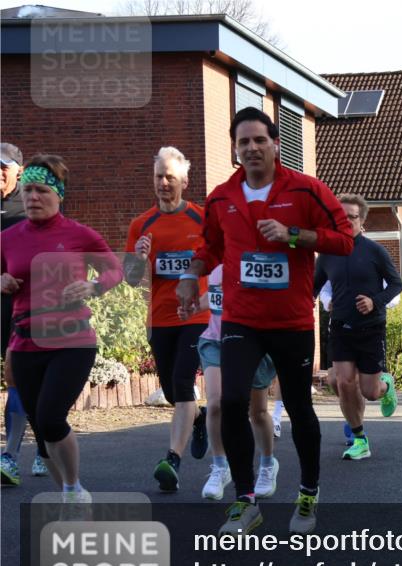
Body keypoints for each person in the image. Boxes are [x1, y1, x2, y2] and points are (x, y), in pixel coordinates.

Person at [176, 107, 354, 535]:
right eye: (244, 142)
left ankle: (308, 493)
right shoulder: (221, 198)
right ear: (235, 150)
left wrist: (296, 236)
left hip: (291, 320)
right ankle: (246, 500)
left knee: (297, 406)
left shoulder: (307, 191)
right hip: (241, 319)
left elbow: (345, 240)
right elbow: (211, 247)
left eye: (260, 140)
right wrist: (188, 275)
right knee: (231, 402)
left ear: (275, 144)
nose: (252, 148)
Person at [0, 154, 123, 503]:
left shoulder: (80, 235)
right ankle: (70, 495)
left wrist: (93, 286)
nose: (32, 198)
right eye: (27, 191)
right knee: (41, 432)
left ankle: (72, 488)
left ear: (58, 194)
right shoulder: (9, 238)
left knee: (51, 417)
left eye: (40, 190)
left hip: (73, 341)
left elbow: (115, 270)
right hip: (25, 343)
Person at [124, 147, 209, 492]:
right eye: (158, 176)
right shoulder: (141, 225)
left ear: (184, 181)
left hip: (196, 316)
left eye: (169, 177)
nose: (162, 183)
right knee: (174, 392)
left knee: (183, 379)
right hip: (160, 318)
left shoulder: (201, 220)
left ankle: (172, 459)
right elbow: (130, 278)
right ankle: (199, 417)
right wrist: (139, 258)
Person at [314, 193, 402, 461]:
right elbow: (312, 288)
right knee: (342, 382)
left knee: (369, 391)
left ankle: (387, 386)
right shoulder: (327, 254)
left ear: (361, 221)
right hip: (340, 327)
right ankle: (359, 438)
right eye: (340, 217)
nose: (346, 221)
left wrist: (375, 302)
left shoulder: (375, 251)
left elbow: (397, 284)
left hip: (370, 329)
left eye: (351, 217)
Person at [182, 264, 279, 500]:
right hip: (216, 342)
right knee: (215, 404)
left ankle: (267, 465)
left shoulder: (256, 261)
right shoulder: (217, 266)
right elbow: (214, 297)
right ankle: (220, 467)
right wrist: (193, 308)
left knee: (257, 412)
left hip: (251, 343)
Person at [0, 141, 48, 484]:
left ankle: (30, 453)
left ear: (19, 169)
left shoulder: (31, 204)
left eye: (4, 166)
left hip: (28, 306)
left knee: (21, 377)